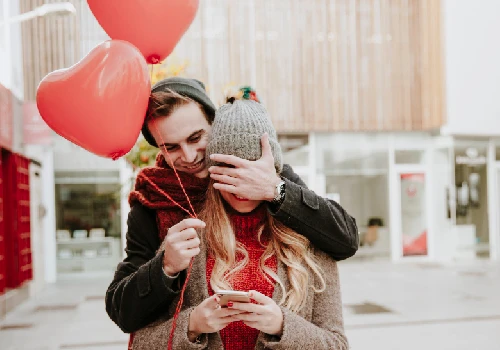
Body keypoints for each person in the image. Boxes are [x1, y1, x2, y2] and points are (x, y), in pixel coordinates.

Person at [105, 77, 358, 333]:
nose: (190, 156)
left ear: (214, 124)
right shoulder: (153, 200)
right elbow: (121, 312)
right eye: (171, 147)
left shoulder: (262, 171)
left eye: (195, 138)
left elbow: (345, 239)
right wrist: (165, 267)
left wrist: (275, 190)